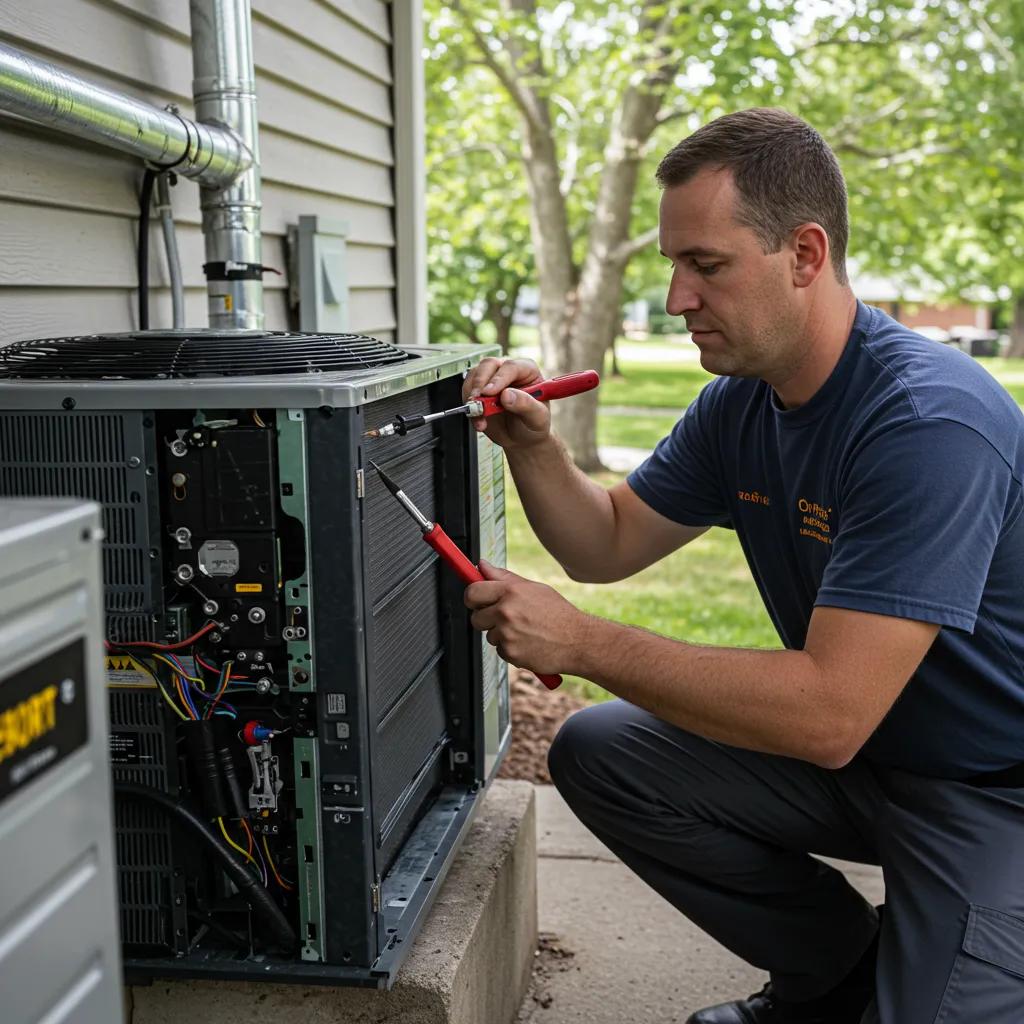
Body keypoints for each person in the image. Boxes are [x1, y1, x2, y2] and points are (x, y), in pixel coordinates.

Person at [462, 107, 1024, 1024]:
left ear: (805, 254)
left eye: (706, 266)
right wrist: (531, 446)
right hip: (870, 764)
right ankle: (835, 978)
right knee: (604, 753)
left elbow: (829, 713)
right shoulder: (744, 404)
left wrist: (585, 642)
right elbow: (603, 543)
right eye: (673, 266)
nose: (679, 297)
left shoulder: (926, 425)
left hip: (994, 790)